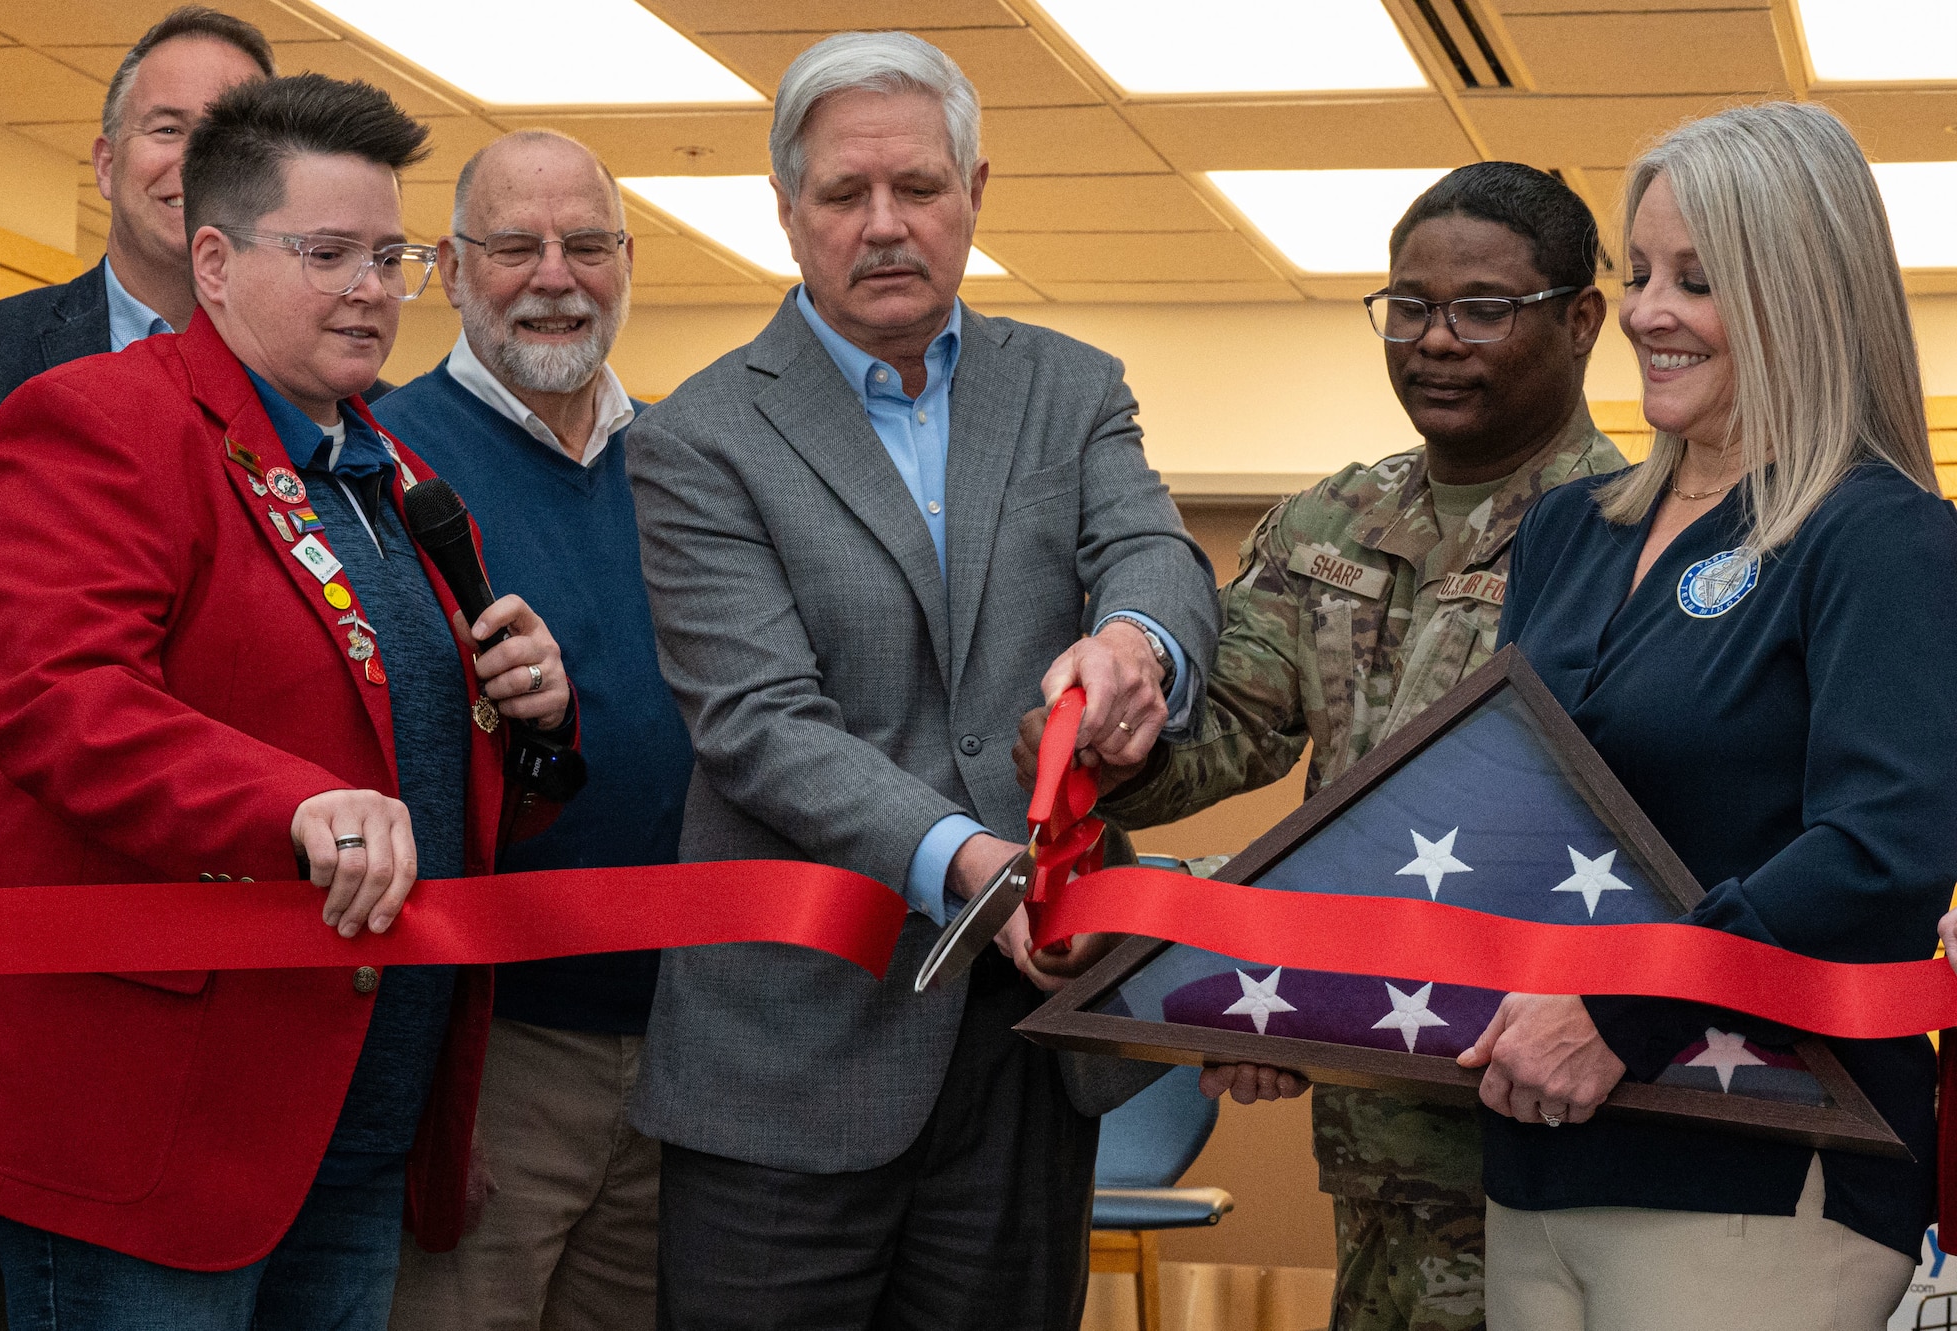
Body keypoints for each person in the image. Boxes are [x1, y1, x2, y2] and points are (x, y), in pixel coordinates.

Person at [0, 73, 578, 1328]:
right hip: (154, 1136)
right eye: (328, 252)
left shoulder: (393, 468)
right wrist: (293, 804)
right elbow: (59, 699)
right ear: (216, 261)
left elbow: (412, 761)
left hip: (354, 1124)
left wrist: (532, 720)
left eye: (390, 255)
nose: (371, 287)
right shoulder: (96, 421)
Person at [624, 30, 1219, 1330]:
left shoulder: (1071, 389)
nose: (886, 225)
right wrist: (975, 861)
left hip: (1021, 1051)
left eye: (920, 188)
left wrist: (1136, 645)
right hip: (786, 1060)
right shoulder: (697, 437)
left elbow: (1153, 555)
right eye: (844, 195)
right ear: (788, 213)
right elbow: (760, 723)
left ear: (976, 191)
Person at [1029, 162, 1624, 1331]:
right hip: (1372, 1125)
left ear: (1580, 320)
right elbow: (1229, 737)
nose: (1434, 340)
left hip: (1562, 1121)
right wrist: (1099, 735)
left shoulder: (1636, 533)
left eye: (1482, 309)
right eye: (1406, 306)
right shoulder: (1324, 524)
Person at [1464, 101, 1957, 1330]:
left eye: (1696, 278)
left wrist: (1622, 1008)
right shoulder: (1571, 530)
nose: (1642, 311)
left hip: (1759, 1154)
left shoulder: (1877, 533)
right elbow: (1515, 813)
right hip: (1539, 1145)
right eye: (1636, 273)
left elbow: (1881, 851)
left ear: (1799, 291)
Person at [378, 130, 689, 1331]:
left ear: (625, 262)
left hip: (682, 1040)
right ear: (451, 271)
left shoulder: (683, 462)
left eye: (587, 244)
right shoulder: (381, 464)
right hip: (492, 1047)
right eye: (514, 245)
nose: (554, 275)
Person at [0, 6, 275, 468]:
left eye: (229, 140)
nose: (196, 164)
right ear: (107, 167)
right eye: (168, 129)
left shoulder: (334, 397)